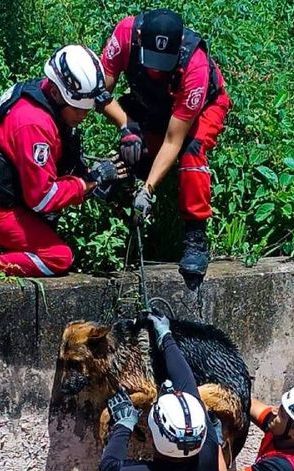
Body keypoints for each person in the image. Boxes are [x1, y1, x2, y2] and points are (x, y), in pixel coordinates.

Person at [0, 45, 124, 277]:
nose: (83, 115)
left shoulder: (42, 92)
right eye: (78, 108)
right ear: (56, 93)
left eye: (87, 109)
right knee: (58, 257)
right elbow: (41, 198)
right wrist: (88, 183)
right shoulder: (34, 123)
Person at [98, 8, 233, 288]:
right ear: (138, 38)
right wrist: (127, 128)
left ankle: (196, 236)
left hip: (202, 109)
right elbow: (100, 92)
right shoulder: (124, 34)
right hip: (154, 105)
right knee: (134, 149)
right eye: (152, 61)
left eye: (165, 62)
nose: (157, 69)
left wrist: (148, 190)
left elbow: (175, 140)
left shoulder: (194, 66)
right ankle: (126, 188)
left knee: (191, 152)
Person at [99, 311, 220, 471]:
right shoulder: (209, 457)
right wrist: (166, 337)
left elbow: (108, 465)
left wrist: (123, 424)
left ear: (154, 436)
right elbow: (188, 387)